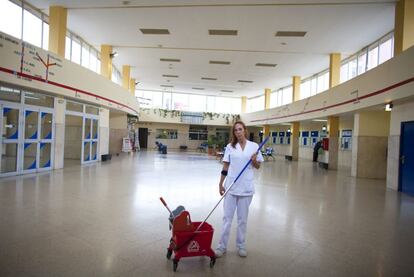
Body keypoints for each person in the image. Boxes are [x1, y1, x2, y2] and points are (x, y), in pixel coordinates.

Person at [215, 121, 264, 258]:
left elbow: (258, 166)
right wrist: (220, 184)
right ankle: (221, 246)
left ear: (245, 130)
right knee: (227, 219)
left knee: (242, 220)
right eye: (236, 130)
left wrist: (254, 160)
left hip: (246, 188)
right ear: (234, 133)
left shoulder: (254, 146)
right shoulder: (230, 147)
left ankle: (241, 245)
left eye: (240, 129)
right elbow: (225, 167)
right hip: (231, 187)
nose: (238, 132)